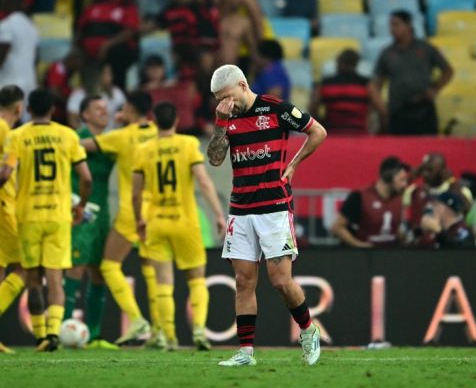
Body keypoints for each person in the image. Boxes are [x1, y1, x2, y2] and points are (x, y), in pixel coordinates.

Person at [207, 64, 327, 367]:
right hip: (241, 209)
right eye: (219, 99)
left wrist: (295, 164)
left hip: (274, 207)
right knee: (243, 282)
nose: (224, 102)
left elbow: (317, 131)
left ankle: (308, 330)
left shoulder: (275, 109)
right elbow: (215, 158)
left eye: (226, 96)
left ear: (243, 85)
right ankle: (245, 352)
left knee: (281, 281)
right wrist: (221, 122)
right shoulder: (227, 117)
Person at [0, 89, 92, 352]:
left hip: (27, 215)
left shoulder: (17, 136)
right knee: (54, 277)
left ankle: (40, 335)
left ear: (27, 110)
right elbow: (86, 178)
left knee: (31, 277)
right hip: (58, 214)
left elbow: (5, 174)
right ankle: (53, 332)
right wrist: (81, 206)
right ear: (53, 109)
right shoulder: (67, 135)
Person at [132, 102, 226, 351]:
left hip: (157, 221)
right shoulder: (188, 144)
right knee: (196, 279)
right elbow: (204, 182)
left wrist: (138, 219)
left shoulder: (144, 150)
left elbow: (135, 193)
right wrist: (218, 214)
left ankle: (167, 337)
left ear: (154, 122)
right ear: (175, 121)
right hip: (185, 221)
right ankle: (198, 332)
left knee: (163, 281)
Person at [80, 91, 159, 346]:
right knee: (151, 271)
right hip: (157, 212)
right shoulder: (159, 132)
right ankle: (161, 331)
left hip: (131, 212)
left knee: (108, 266)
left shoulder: (122, 137)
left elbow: (82, 146)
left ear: (130, 108)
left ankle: (136, 320)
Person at [62, 96, 118, 349]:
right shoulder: (73, 139)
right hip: (80, 212)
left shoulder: (111, 141)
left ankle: (94, 336)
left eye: (106, 109)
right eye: (98, 109)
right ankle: (63, 331)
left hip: (103, 214)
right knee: (76, 268)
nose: (104, 113)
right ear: (84, 115)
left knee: (99, 272)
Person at [371, 10, 453, 135]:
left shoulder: (426, 49)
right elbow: (377, 84)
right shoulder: (387, 53)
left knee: (426, 146)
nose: (392, 29)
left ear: (408, 25)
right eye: (391, 25)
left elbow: (448, 71)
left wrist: (435, 89)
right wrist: (383, 109)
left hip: (423, 108)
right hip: (398, 110)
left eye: (396, 24)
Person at [76, 0, 140, 91]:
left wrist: (107, 45)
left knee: (117, 54)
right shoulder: (94, 5)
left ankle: (117, 94)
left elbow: (131, 31)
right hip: (90, 54)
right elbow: (81, 29)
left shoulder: (127, 6)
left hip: (115, 52)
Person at [330, 156, 408, 248]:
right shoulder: (360, 197)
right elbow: (337, 227)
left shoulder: (397, 199)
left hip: (390, 254)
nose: (405, 184)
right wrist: (359, 245)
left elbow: (392, 226)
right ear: (388, 176)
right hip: (366, 258)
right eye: (402, 180)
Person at [0, 86, 25, 354]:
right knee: (23, 266)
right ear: (19, 108)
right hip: (4, 206)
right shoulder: (8, 132)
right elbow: (6, 173)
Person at [310, 49, 373, 135]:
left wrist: (321, 124)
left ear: (338, 63)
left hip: (332, 134)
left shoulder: (325, 85)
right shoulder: (366, 85)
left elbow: (313, 108)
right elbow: (382, 111)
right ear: (356, 64)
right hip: (360, 134)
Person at [0, 0, 39, 97]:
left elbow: (2, 54)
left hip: (10, 84)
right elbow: (36, 57)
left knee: (5, 114)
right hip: (30, 83)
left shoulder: (6, 25)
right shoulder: (31, 26)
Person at [67, 63, 126, 130]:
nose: (111, 76)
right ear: (97, 75)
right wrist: (85, 136)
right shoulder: (79, 95)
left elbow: (124, 116)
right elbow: (73, 120)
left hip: (111, 137)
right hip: (88, 138)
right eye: (106, 73)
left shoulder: (117, 93)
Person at [44, 48, 82, 125]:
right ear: (73, 59)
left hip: (65, 113)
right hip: (55, 115)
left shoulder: (70, 72)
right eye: (79, 62)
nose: (79, 66)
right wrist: (70, 102)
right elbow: (53, 91)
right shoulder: (58, 68)